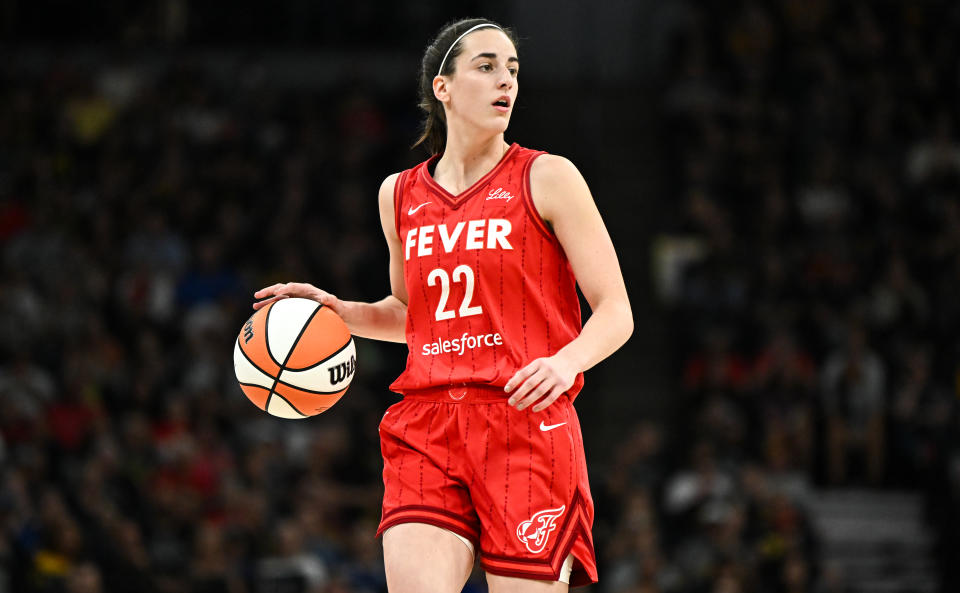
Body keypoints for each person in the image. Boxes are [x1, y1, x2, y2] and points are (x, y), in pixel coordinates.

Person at [254, 18, 633, 592]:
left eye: (512, 69)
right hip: (426, 424)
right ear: (443, 87)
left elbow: (616, 311)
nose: (505, 80)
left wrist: (565, 362)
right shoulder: (399, 194)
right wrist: (338, 312)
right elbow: (415, 319)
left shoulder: (548, 177)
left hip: (525, 421)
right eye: (486, 66)